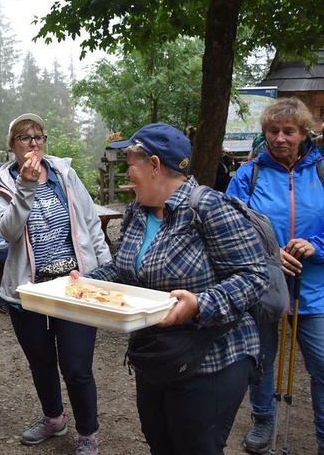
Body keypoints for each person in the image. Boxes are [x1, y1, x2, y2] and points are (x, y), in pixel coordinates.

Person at [85, 123, 268, 454]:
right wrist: (85, 282)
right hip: (157, 355)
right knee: (160, 441)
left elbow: (254, 275)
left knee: (194, 445)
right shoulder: (136, 213)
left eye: (131, 162)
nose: (128, 171)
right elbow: (124, 268)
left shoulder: (210, 208)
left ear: (154, 165)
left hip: (213, 357)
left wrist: (200, 304)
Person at [0, 113, 112, 454]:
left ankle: (87, 433)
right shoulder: (1, 182)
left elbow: (90, 225)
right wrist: (25, 188)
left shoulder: (65, 175)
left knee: (76, 367)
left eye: (39, 137)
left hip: (74, 286)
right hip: (27, 292)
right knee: (41, 362)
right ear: (12, 146)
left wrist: (107, 274)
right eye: (25, 138)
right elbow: (7, 232)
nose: (34, 144)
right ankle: (54, 418)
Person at [226, 97, 324, 455]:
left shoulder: (322, 171)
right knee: (263, 358)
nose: (280, 138)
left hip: (314, 288)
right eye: (273, 131)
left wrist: (316, 247)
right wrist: (270, 256)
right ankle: (263, 418)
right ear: (265, 133)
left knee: (323, 365)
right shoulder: (247, 175)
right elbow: (229, 229)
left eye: (289, 131)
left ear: (303, 134)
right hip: (264, 286)